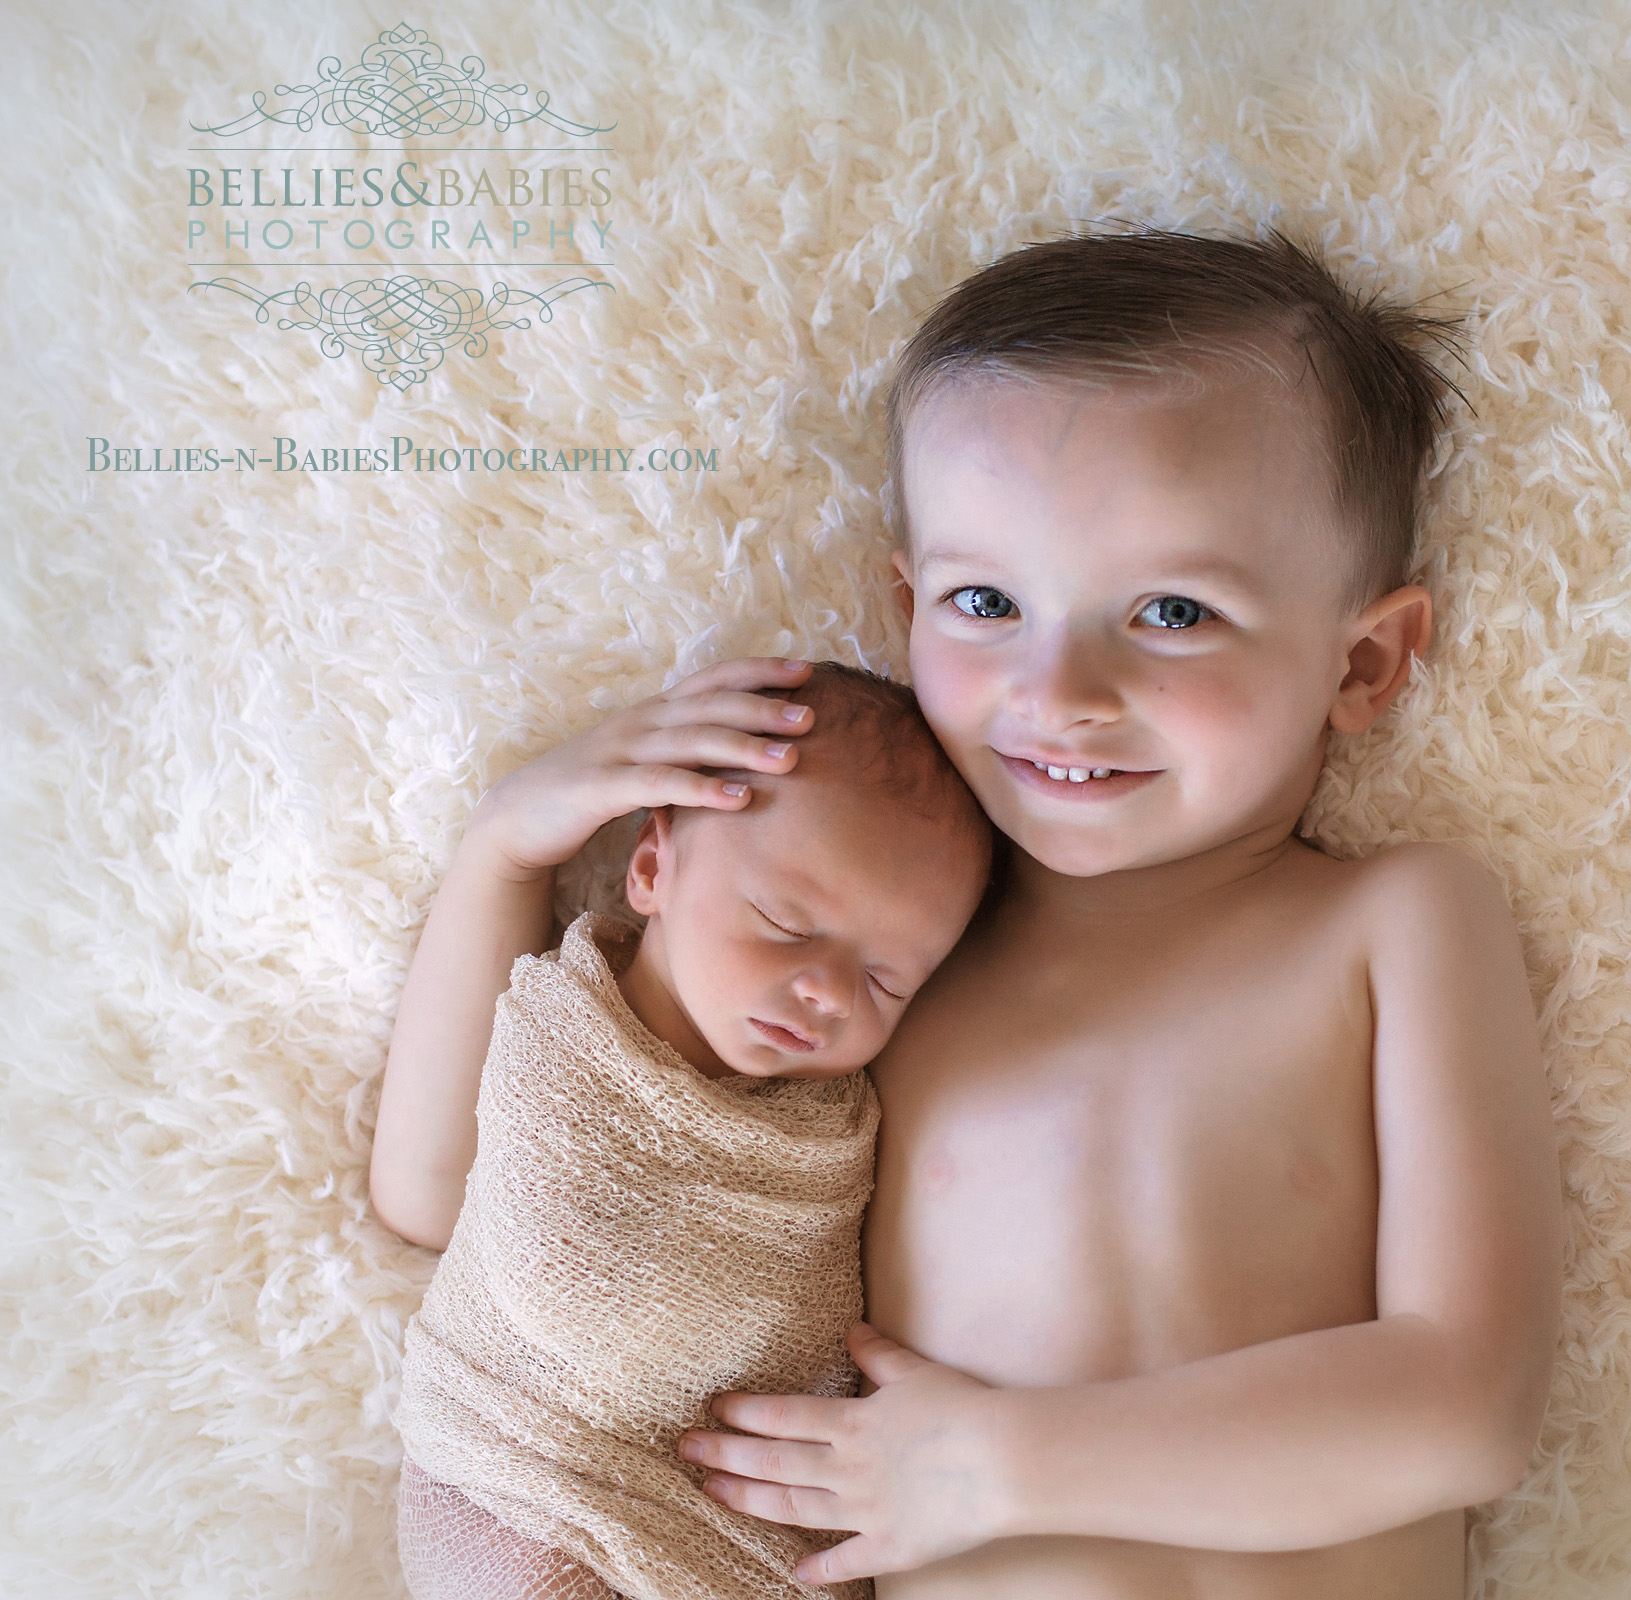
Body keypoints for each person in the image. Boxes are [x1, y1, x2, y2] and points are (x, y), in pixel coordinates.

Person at [377, 226, 1563, 1600]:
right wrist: (505, 854)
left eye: (1175, 610)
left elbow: (1467, 1407)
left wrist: (1003, 1468)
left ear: (1362, 662)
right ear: (907, 601)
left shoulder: (1392, 925)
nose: (1061, 690)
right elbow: (450, 1188)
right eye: (987, 601)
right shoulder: (873, 982)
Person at [371, 663, 992, 1600]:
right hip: (518, 1485)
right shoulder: (567, 1030)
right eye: (786, 922)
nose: (826, 989)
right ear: (652, 866)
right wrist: (504, 847)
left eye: (884, 981)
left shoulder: (834, 1125)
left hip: (737, 1545)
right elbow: (423, 1198)